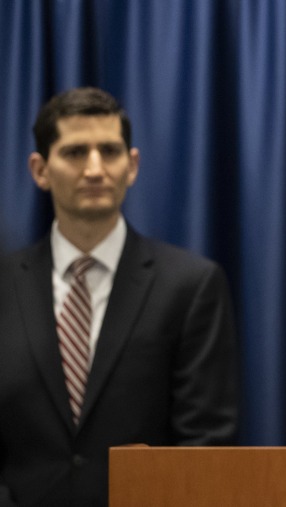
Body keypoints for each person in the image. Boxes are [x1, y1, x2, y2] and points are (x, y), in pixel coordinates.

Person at [0, 87, 239, 506]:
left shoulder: (191, 286)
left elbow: (205, 447)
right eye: (75, 153)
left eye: (109, 151)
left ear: (132, 166)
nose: (95, 169)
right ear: (39, 169)